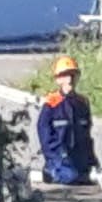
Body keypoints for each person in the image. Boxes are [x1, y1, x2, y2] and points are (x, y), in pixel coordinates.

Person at [35, 56, 97, 185]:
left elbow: (87, 135)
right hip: (59, 155)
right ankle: (50, 171)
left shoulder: (82, 103)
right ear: (58, 80)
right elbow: (45, 137)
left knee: (87, 178)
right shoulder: (51, 104)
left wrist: (92, 160)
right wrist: (55, 156)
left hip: (78, 156)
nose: (69, 79)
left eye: (72, 75)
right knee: (70, 177)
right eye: (65, 75)